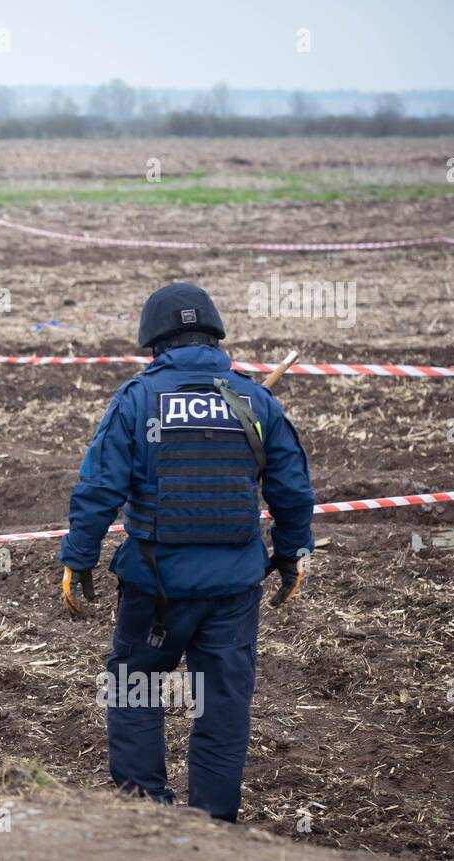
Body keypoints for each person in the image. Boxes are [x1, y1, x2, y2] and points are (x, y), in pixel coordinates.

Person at [58, 282, 314, 821]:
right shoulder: (255, 399)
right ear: (215, 336)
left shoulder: (137, 398)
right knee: (222, 710)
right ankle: (213, 831)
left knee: (134, 693)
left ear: (153, 343)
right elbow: (292, 491)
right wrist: (291, 555)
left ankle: (146, 820)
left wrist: (78, 559)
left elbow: (98, 488)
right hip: (234, 591)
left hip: (155, 589)